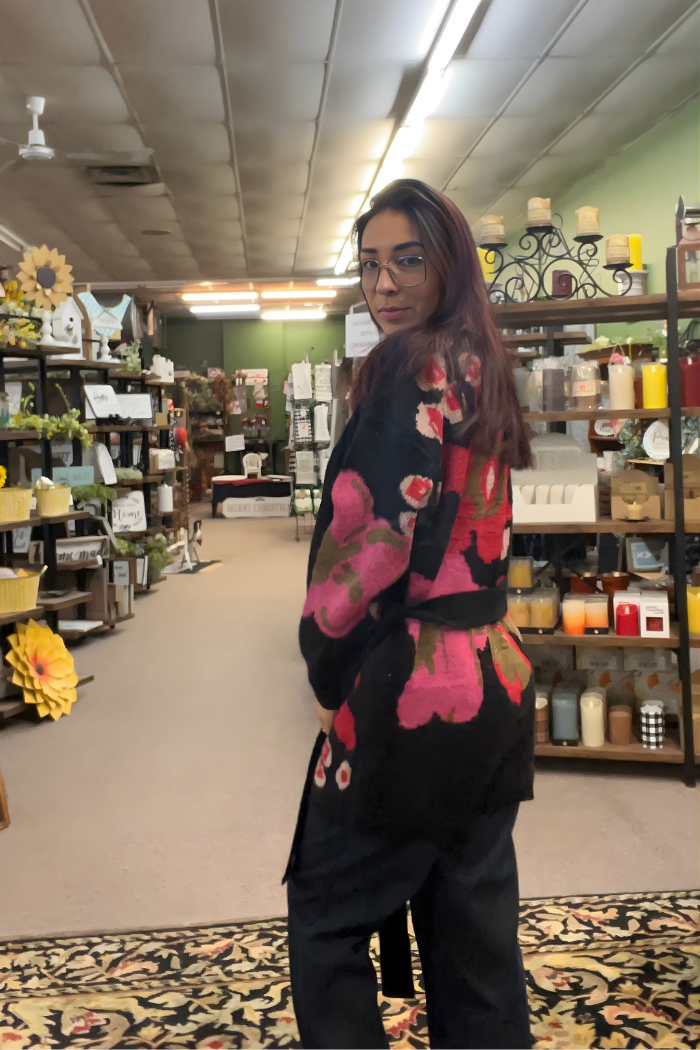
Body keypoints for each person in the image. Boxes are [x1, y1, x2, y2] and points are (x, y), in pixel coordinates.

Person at [286, 179, 535, 1050]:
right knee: (473, 932)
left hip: (411, 688)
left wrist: (322, 665)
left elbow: (370, 545)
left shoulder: (404, 368)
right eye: (369, 265)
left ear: (447, 264)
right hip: (495, 673)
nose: (383, 284)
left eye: (407, 260)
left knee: (323, 911)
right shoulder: (482, 363)